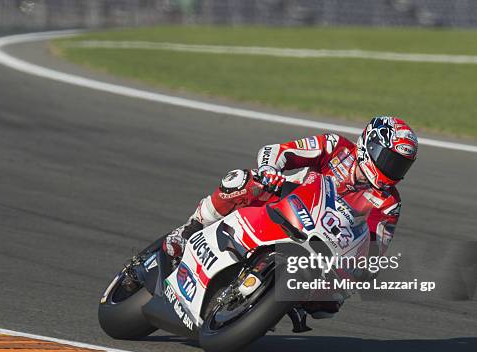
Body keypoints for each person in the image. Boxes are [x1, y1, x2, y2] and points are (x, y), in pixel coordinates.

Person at [163, 116, 418, 317]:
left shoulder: (388, 202)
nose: (393, 170)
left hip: (324, 246)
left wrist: (360, 270)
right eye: (390, 159)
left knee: (331, 301)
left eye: (401, 165)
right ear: (369, 145)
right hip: (284, 203)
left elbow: (375, 248)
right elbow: (276, 151)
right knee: (242, 180)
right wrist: (269, 171)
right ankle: (190, 229)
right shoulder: (335, 146)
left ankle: (275, 302)